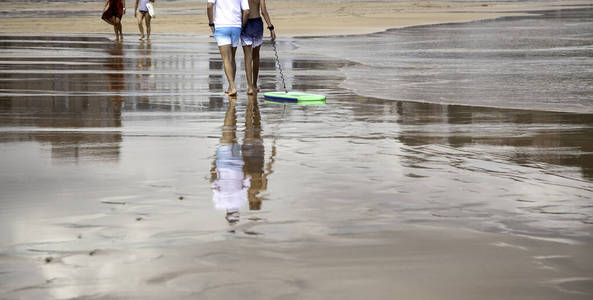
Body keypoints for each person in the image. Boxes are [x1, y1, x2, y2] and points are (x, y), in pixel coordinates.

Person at [207, 0, 250, 96]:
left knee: (226, 59)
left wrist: (211, 23)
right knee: (232, 59)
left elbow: (209, 6)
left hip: (221, 26)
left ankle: (233, 87)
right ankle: (230, 87)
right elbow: (247, 11)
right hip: (236, 26)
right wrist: (242, 24)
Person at [241, 0, 275, 94]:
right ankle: (255, 84)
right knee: (256, 56)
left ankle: (250, 87)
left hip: (245, 22)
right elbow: (263, 11)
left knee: (247, 57)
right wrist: (271, 27)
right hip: (257, 23)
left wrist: (241, 24)